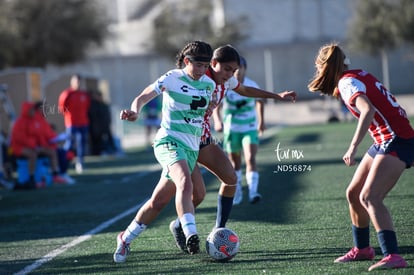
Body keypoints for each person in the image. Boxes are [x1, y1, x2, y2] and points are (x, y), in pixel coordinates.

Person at [308, 42, 412, 271]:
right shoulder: (356, 75)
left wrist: (353, 147)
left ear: (324, 67)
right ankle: (363, 249)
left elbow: (368, 110)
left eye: (318, 67)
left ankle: (393, 255)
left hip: (396, 140)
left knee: (370, 197)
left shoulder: (347, 82)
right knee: (354, 193)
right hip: (387, 139)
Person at [113, 40, 216, 263]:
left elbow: (204, 111)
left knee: (162, 201)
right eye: (198, 65)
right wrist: (134, 110)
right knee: (185, 184)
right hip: (168, 141)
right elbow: (143, 96)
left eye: (206, 66)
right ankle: (191, 235)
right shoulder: (172, 78)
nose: (202, 70)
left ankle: (125, 238)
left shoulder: (209, 84)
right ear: (187, 61)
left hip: (190, 149)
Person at [213, 56, 265, 204]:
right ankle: (238, 192)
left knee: (250, 158)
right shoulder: (226, 85)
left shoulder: (251, 84)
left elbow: (260, 102)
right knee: (235, 164)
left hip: (249, 128)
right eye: (232, 69)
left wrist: (261, 122)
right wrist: (217, 121)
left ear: (244, 69)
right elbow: (217, 106)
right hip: (231, 130)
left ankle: (253, 192)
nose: (236, 71)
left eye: (238, 68)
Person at [10, 102, 69, 189]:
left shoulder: (35, 121)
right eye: (31, 110)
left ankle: (55, 174)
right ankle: (31, 177)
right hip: (19, 147)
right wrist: (34, 145)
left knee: (52, 152)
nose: (33, 112)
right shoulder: (20, 122)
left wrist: (45, 144)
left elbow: (39, 135)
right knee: (32, 154)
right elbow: (20, 138)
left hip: (34, 146)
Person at [58, 74, 91, 174]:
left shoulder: (84, 94)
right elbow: (61, 108)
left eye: (79, 81)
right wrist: (70, 117)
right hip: (72, 124)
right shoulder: (67, 93)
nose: (78, 83)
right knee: (69, 144)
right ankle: (62, 162)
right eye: (76, 81)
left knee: (82, 144)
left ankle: (80, 163)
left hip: (83, 123)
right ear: (72, 82)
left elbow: (87, 107)